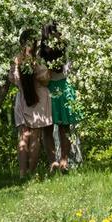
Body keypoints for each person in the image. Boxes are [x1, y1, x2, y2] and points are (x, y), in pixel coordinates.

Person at [10, 29, 53, 178]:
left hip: (24, 98)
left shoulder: (16, 59)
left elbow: (13, 80)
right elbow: (45, 79)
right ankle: (30, 172)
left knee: (24, 136)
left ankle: (23, 174)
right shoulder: (38, 60)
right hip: (37, 99)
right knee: (34, 137)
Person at [40, 22, 82, 172]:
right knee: (62, 127)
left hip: (49, 89)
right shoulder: (64, 48)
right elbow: (70, 69)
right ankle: (61, 161)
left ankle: (55, 161)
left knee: (50, 128)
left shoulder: (42, 52)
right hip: (62, 87)